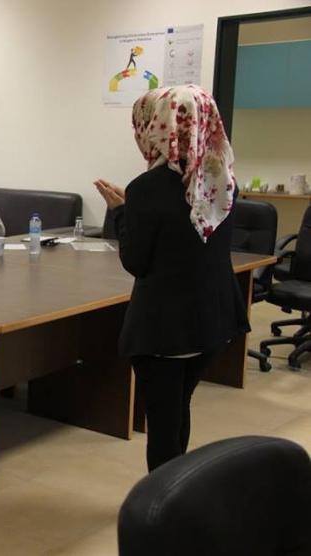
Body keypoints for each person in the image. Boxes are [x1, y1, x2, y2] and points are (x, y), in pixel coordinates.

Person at [93, 85, 249, 471]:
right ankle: (180, 490)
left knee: (163, 424)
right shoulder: (221, 179)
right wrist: (134, 208)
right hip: (211, 323)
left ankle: (164, 502)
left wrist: (121, 212)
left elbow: (137, 261)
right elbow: (185, 233)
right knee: (179, 406)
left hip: (166, 330)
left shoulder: (147, 188)